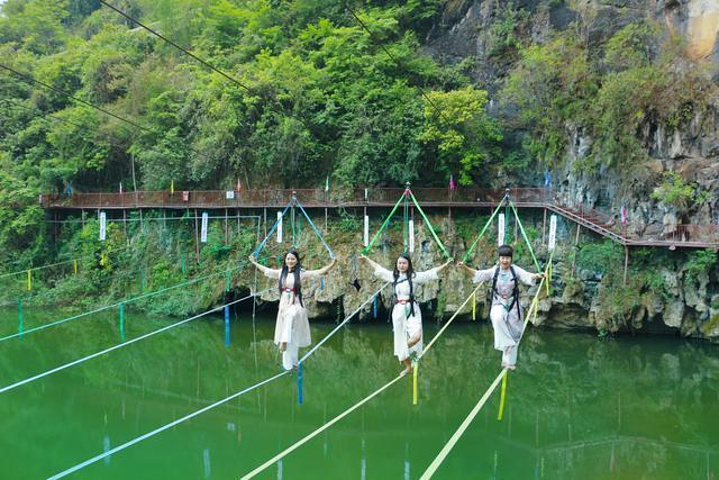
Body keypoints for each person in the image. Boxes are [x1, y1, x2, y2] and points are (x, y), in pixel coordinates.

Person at [360, 252, 452, 375]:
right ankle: (408, 367)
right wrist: (366, 259)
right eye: (399, 263)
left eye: (404, 263)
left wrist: (446, 265)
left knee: (416, 337)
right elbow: (379, 269)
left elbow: (430, 274)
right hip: (398, 311)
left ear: (408, 264)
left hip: (412, 309)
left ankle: (402, 350)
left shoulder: (414, 276)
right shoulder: (394, 276)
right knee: (399, 338)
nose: (401, 265)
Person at [458, 244, 543, 370]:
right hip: (498, 302)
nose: (505, 260)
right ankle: (507, 347)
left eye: (507, 258)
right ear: (499, 258)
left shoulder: (515, 270)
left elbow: (527, 276)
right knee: (497, 318)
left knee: (514, 333)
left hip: (513, 303)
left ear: (511, 259)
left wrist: (537, 276)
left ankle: (509, 362)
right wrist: (464, 267)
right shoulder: (494, 271)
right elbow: (478, 274)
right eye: (502, 257)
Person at [249, 250, 337, 371]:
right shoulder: (281, 273)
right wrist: (254, 262)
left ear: (297, 260)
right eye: (288, 259)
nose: (290, 261)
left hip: (296, 302)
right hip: (284, 302)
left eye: (293, 259)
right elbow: (266, 270)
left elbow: (318, 272)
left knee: (292, 315)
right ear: (285, 260)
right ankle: (290, 364)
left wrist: (333, 264)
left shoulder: (301, 273)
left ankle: (284, 341)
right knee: (291, 330)